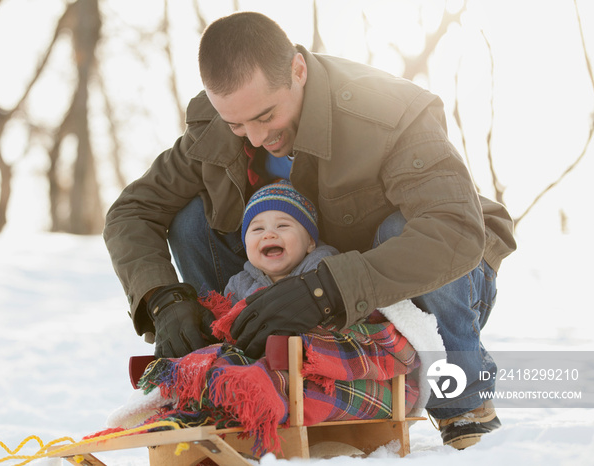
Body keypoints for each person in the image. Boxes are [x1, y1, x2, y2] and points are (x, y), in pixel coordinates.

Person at [103, 11, 517, 449]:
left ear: (298, 70)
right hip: (287, 285)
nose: (256, 138)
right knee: (189, 217)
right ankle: (230, 377)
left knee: (406, 227)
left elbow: (453, 230)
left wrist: (324, 292)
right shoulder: (218, 129)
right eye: (237, 124)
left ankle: (463, 404)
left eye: (265, 116)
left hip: (421, 284)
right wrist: (164, 299)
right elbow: (131, 211)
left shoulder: (390, 110)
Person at [223, 178, 339, 304]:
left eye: (282, 226)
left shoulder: (323, 268)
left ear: (310, 241)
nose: (268, 234)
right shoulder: (239, 285)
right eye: (258, 228)